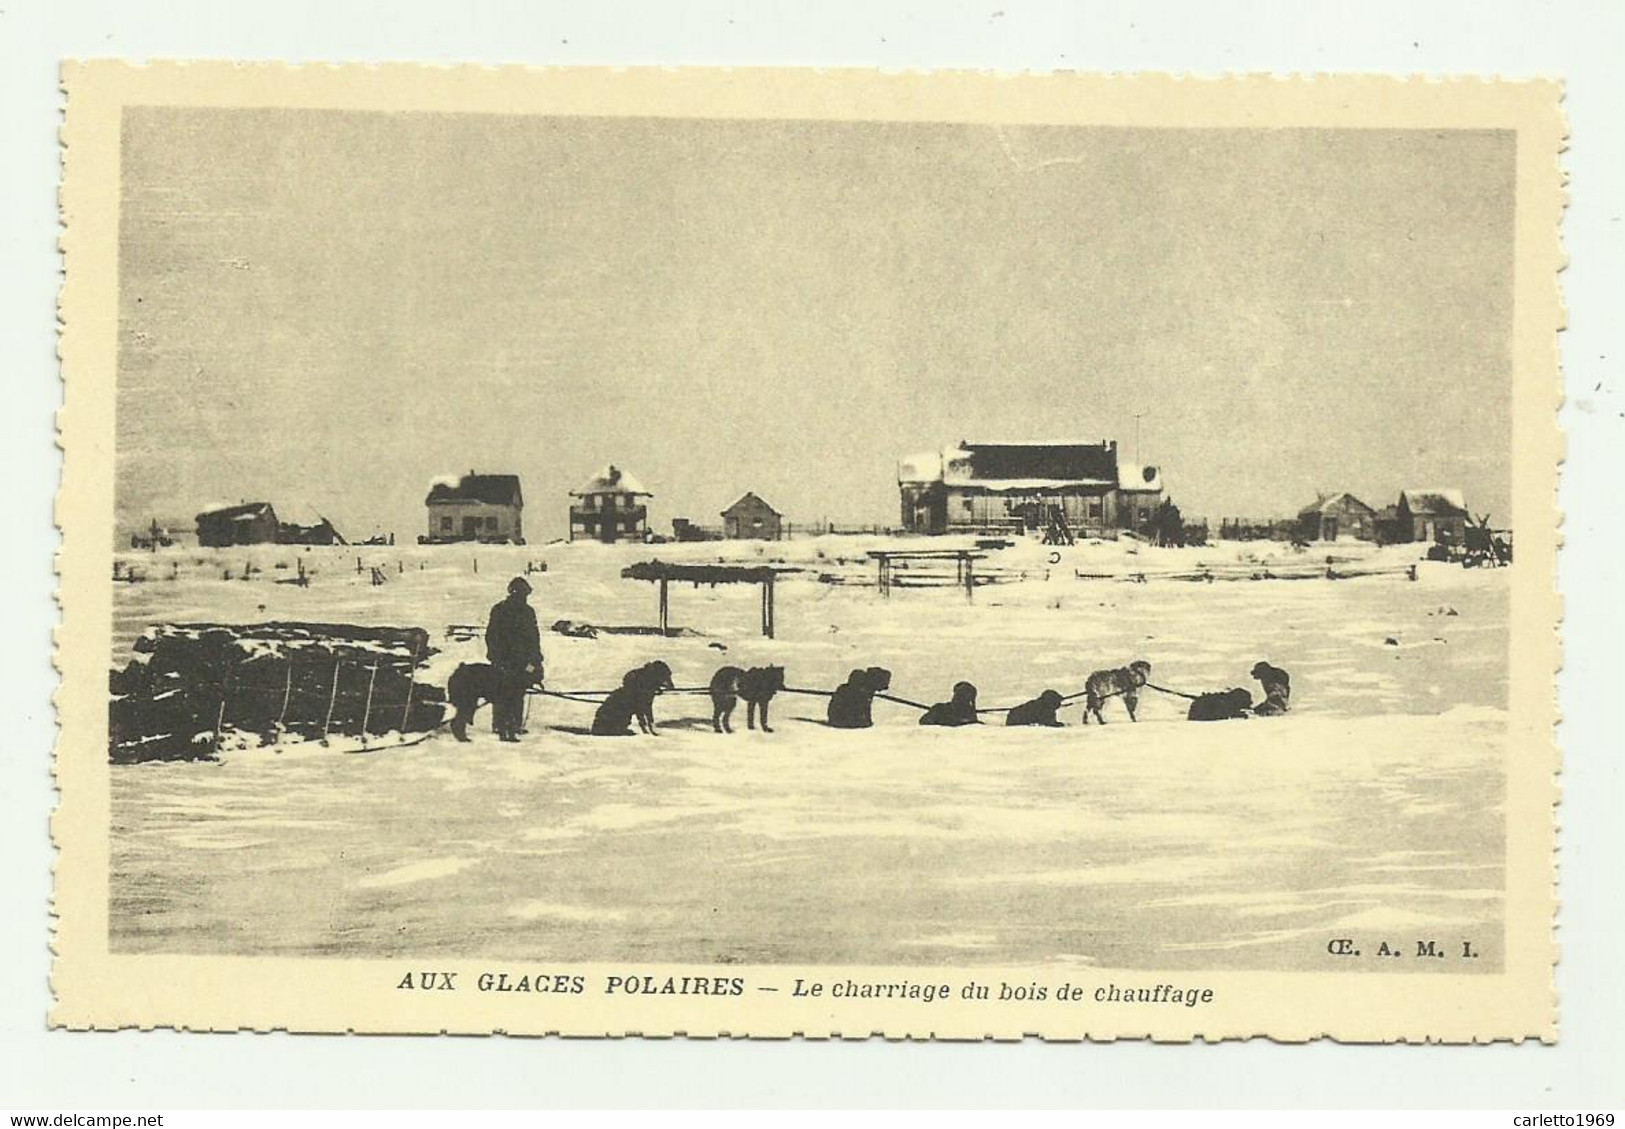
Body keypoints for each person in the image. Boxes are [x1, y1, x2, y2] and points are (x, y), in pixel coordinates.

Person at [486, 576, 544, 741]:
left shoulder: (528, 612)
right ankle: (500, 725)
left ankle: (514, 724)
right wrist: (495, 657)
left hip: (522, 661)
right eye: (521, 594)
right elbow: (492, 636)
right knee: (503, 692)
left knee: (519, 690)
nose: (523, 598)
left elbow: (534, 637)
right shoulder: (500, 610)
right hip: (505, 660)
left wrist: (536, 660)